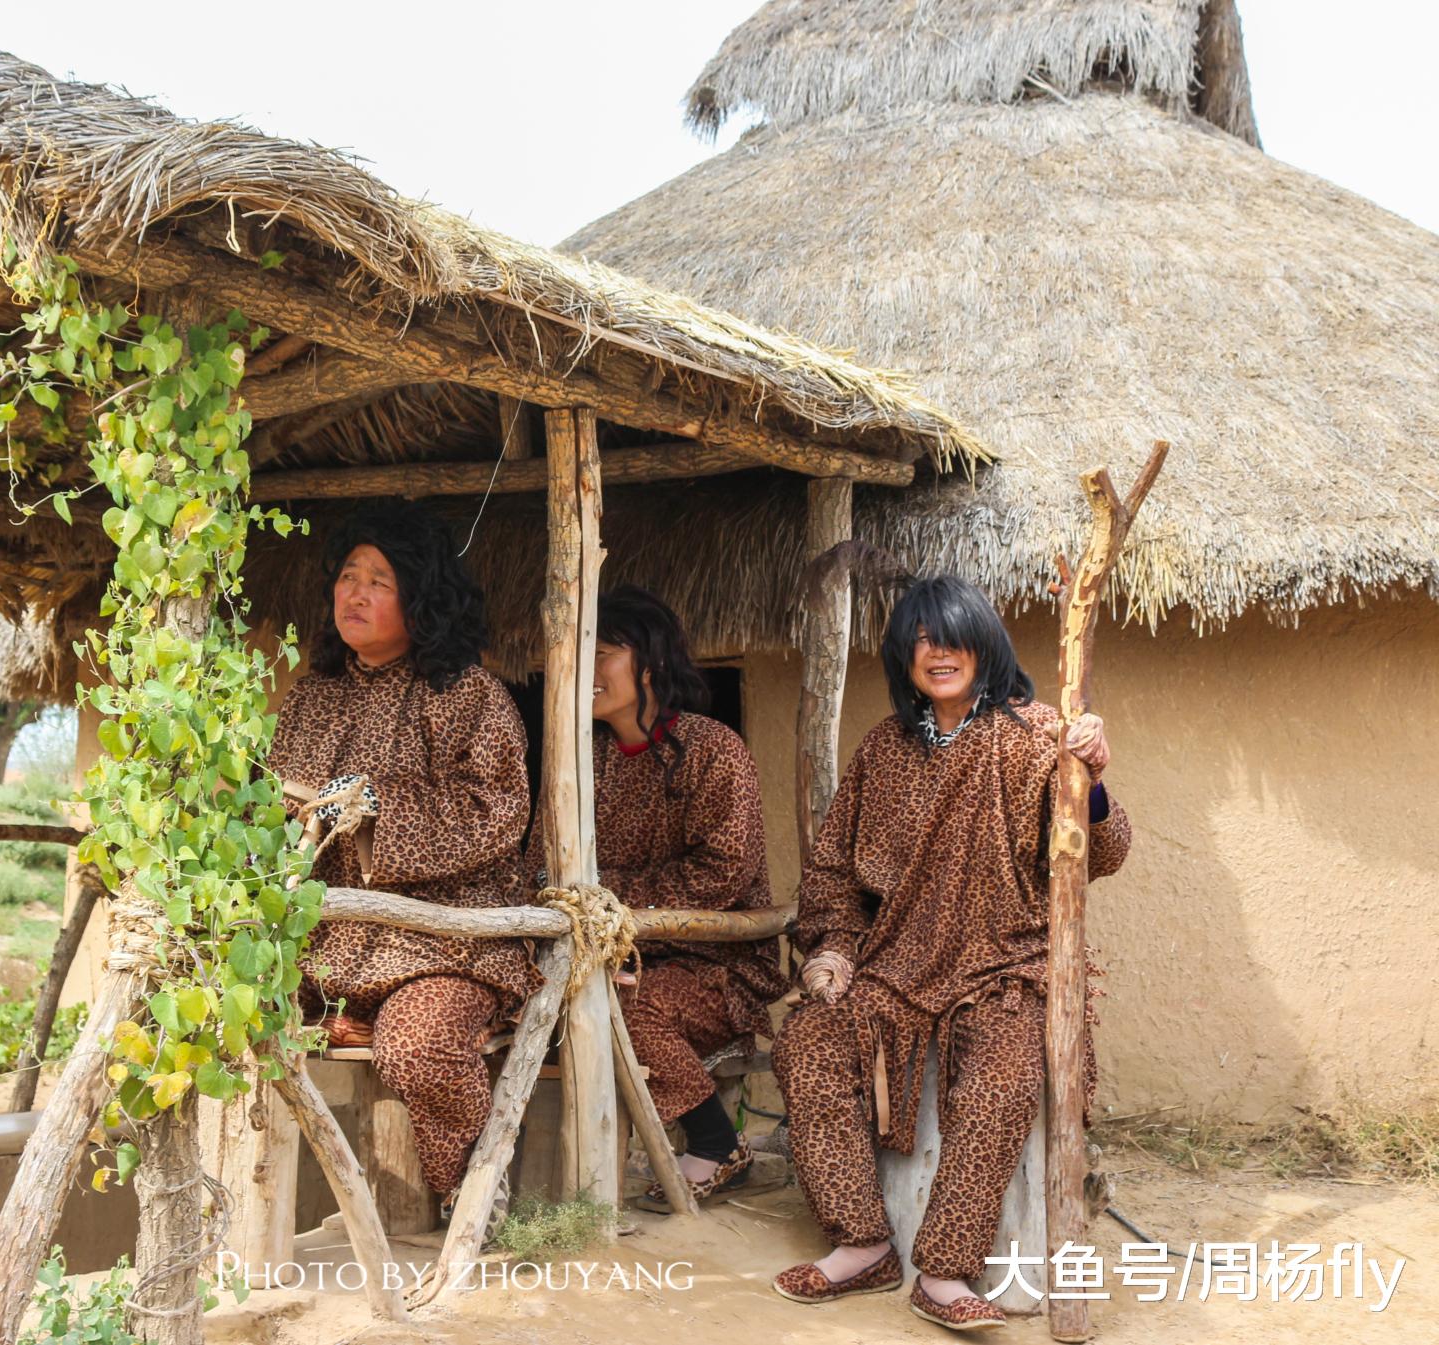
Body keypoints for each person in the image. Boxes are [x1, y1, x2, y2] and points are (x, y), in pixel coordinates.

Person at [770, 574, 1132, 1333]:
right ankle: (862, 1242)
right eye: (920, 640)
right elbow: (833, 871)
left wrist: (1091, 780)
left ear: (983, 644)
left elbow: (1101, 853)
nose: (937, 652)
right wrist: (833, 950)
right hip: (895, 967)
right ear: (903, 658)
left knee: (1003, 1076)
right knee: (808, 1040)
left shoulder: (1036, 733)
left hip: (1005, 967)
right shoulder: (883, 749)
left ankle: (943, 1269)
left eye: (951, 636)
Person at [267, 502, 538, 1221]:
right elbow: (273, 807)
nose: (355, 594)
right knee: (220, 1012)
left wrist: (375, 806)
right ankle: (243, 1212)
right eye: (348, 577)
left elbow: (495, 810)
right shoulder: (310, 698)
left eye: (378, 581)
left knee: (419, 1045)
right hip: (325, 945)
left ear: (421, 597)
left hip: (443, 943)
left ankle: (471, 1193)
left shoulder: (468, 695)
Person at [557, 586, 789, 1212]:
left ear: (651, 664)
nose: (587, 668)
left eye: (603, 652)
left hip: (715, 962)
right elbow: (544, 868)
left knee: (628, 1008)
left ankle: (717, 1144)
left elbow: (722, 873)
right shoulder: (577, 762)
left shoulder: (715, 751)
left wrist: (607, 906)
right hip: (605, 955)